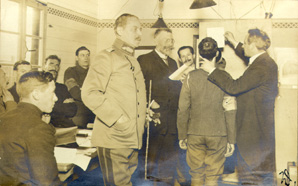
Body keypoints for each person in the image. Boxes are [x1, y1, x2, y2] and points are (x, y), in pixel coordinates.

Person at [200, 28, 278, 185]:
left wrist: (212, 70)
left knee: (251, 179)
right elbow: (246, 52)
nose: (243, 45)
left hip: (252, 140)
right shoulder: (264, 60)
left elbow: (234, 87)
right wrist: (233, 41)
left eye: (245, 42)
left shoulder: (260, 67)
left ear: (253, 45)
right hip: (261, 136)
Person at [81, 13, 146, 186]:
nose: (140, 33)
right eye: (135, 29)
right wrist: (118, 118)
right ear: (119, 30)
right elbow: (90, 93)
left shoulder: (133, 60)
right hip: (114, 138)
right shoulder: (106, 57)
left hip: (132, 139)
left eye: (141, 29)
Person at [178, 37, 236, 186]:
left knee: (196, 173)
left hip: (194, 133)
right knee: (213, 175)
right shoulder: (226, 77)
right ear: (217, 54)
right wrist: (232, 139)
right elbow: (230, 111)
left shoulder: (190, 77)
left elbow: (183, 109)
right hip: (218, 134)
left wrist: (182, 135)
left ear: (199, 54)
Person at [137, 28, 182, 185]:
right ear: (156, 41)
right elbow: (138, 87)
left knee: (168, 163)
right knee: (150, 162)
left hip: (171, 122)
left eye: (172, 40)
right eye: (166, 40)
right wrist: (148, 104)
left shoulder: (173, 63)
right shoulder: (144, 59)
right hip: (154, 121)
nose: (170, 44)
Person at [0, 71, 61, 186]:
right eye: (52, 92)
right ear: (36, 94)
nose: (56, 98)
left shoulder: (4, 118)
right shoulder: (39, 127)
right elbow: (46, 181)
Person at [64, 46, 95, 128]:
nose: (86, 58)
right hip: (79, 112)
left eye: (88, 55)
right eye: (82, 55)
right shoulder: (70, 71)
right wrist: (92, 94)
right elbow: (75, 93)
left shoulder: (94, 73)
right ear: (76, 58)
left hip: (94, 110)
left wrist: (83, 89)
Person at [44, 55, 77, 128]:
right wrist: (62, 105)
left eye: (57, 65)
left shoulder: (62, 87)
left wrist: (54, 107)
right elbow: (42, 108)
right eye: (51, 64)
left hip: (63, 126)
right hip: (46, 126)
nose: (54, 68)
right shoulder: (39, 85)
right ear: (44, 66)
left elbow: (72, 110)